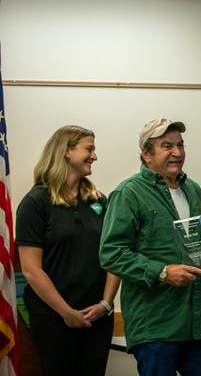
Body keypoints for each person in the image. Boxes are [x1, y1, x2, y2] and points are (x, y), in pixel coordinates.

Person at [99, 118, 201, 376]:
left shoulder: (194, 190)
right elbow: (112, 254)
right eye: (167, 146)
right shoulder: (128, 194)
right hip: (155, 327)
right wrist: (162, 272)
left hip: (196, 324)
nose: (177, 153)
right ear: (146, 154)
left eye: (180, 145)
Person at [15, 125, 120, 376]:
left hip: (97, 317)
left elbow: (114, 256)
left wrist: (105, 304)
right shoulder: (35, 202)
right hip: (53, 318)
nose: (94, 156)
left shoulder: (98, 200)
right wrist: (66, 312)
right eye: (89, 149)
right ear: (66, 151)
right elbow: (31, 270)